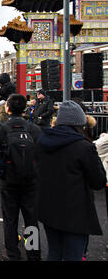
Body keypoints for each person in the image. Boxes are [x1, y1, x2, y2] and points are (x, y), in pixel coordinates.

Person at [37, 100, 106, 261]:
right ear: (80, 122)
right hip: (75, 213)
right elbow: (98, 181)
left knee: (54, 252)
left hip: (49, 208)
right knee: (73, 255)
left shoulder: (42, 141)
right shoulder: (84, 147)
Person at [0, 94, 42, 261]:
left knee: (10, 219)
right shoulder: (34, 129)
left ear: (8, 108)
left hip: (8, 179)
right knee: (31, 218)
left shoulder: (0, 129)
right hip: (31, 179)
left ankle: (12, 253)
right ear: (24, 108)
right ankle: (33, 253)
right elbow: (41, 154)